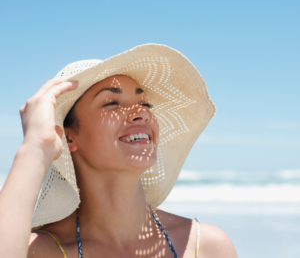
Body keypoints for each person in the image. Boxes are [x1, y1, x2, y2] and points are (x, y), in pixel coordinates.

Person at [0, 44, 238, 258]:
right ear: (68, 136)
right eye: (111, 103)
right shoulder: (41, 251)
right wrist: (36, 146)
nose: (141, 113)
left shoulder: (204, 246)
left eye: (145, 104)